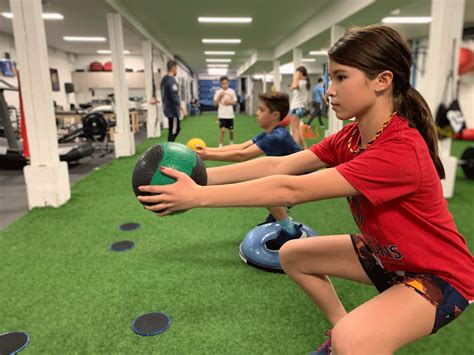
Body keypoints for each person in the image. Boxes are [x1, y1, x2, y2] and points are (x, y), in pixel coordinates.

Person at [138, 25, 473, 354]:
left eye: (341, 77)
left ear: (382, 81)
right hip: (387, 255)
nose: (329, 90)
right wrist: (202, 178)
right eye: (331, 77)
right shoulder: (352, 136)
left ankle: (349, 340)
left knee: (355, 340)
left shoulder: (399, 149)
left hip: (439, 276)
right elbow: (277, 165)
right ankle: (339, 329)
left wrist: (198, 198)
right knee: (293, 255)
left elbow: (289, 189)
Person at [196, 91, 304, 250]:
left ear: (274, 115)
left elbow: (242, 155)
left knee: (265, 188)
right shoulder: (269, 133)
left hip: (300, 178)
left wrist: (208, 156)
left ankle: (290, 231)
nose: (257, 113)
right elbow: (240, 147)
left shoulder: (277, 136)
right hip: (284, 173)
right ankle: (275, 218)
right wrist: (208, 150)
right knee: (266, 182)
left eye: (261, 110)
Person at [160, 60, 186, 141]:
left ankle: (170, 146)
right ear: (174, 68)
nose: (176, 71)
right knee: (174, 130)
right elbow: (174, 95)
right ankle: (170, 149)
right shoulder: (171, 80)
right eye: (176, 68)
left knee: (173, 129)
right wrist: (182, 109)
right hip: (172, 110)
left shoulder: (164, 80)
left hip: (167, 108)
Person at [289, 66, 310, 149]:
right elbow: (292, 87)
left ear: (301, 73)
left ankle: (293, 150)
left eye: (297, 72)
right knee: (297, 129)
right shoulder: (304, 82)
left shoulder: (301, 82)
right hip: (300, 107)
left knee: (295, 130)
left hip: (297, 107)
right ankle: (305, 148)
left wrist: (296, 77)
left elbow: (293, 86)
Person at [214, 76, 237, 147]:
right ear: (221, 84)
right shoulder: (218, 92)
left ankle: (231, 143)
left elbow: (235, 102)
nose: (225, 85)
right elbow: (215, 104)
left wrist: (230, 102)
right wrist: (219, 97)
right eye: (223, 83)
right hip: (222, 114)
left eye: (226, 83)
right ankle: (220, 145)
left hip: (230, 115)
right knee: (222, 130)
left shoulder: (232, 91)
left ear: (228, 83)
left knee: (231, 131)